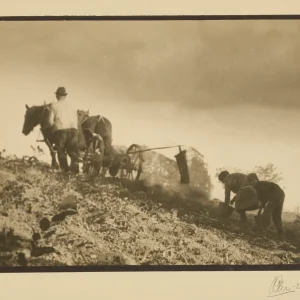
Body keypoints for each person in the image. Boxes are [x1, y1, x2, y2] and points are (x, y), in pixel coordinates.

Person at [48, 86, 79, 174]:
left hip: (61, 130)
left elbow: (50, 121)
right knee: (73, 151)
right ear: (65, 96)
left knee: (61, 151)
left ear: (57, 96)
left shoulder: (54, 105)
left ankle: (65, 171)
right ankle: (75, 171)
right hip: (73, 129)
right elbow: (76, 120)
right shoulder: (73, 106)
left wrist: (53, 129)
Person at [247, 173, 285, 237]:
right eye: (250, 181)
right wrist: (261, 206)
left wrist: (262, 205)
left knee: (267, 211)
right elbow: (263, 198)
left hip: (276, 195)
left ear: (256, 179)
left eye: (252, 180)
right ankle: (280, 232)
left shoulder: (260, 186)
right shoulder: (258, 186)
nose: (251, 182)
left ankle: (261, 229)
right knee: (276, 215)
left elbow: (266, 197)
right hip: (281, 194)